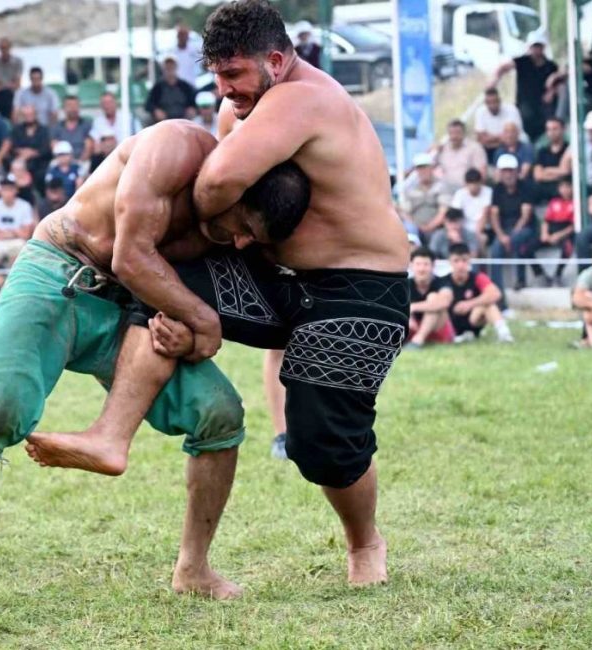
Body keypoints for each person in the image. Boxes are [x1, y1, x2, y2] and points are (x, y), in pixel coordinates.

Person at [25, 0, 410, 590]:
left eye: (235, 75)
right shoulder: (245, 107)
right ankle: (110, 434)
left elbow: (219, 181)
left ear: (276, 61)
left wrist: (202, 230)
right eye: (217, 76)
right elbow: (217, 181)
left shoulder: (305, 98)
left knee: (320, 443)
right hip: (275, 277)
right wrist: (190, 304)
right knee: (152, 275)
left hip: (358, 287)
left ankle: (365, 542)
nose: (225, 91)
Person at [0, 117, 312, 620]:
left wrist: (185, 329)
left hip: (125, 312)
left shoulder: (231, 229)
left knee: (219, 412)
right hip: (55, 272)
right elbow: (133, 256)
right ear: (232, 189)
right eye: (244, 228)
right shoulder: (172, 147)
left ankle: (194, 568)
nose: (242, 243)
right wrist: (201, 321)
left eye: (253, 239)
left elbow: (175, 298)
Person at [489, 32, 558, 143]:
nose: (536, 49)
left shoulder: (551, 66)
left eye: (538, 46)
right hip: (524, 104)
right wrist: (494, 81)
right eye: (534, 46)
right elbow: (503, 67)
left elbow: (557, 83)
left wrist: (551, 92)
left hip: (543, 105)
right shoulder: (522, 62)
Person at [487, 154, 539, 291]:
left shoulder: (525, 187)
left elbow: (525, 215)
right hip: (504, 229)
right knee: (495, 250)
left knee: (517, 240)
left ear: (516, 172)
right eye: (504, 171)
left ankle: (520, 280)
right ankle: (496, 288)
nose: (508, 174)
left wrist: (512, 236)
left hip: (525, 228)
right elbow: (494, 215)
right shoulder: (497, 190)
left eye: (510, 170)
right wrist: (501, 236)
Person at [442, 243, 513, 343]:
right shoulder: (443, 281)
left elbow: (496, 293)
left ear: (469, 261)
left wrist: (469, 304)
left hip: (473, 320)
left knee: (488, 304)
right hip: (451, 322)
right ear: (449, 262)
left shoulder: (477, 277)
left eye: (464, 260)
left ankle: (504, 334)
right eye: (456, 261)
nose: (460, 265)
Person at [406, 247, 454, 348]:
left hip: (439, 329)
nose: (422, 269)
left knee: (433, 298)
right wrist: (407, 316)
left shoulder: (442, 282)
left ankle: (418, 340)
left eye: (426, 264)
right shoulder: (405, 284)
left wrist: (413, 307)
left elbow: (445, 302)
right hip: (412, 328)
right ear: (411, 266)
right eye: (418, 264)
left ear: (433, 266)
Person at [0, 176, 35, 268]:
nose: (7, 193)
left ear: (16, 190)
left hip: (18, 241)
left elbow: (26, 235)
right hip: (0, 241)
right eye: (5, 189)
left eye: (10, 189)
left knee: (19, 247)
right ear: (0, 191)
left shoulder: (25, 206)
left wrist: (9, 233)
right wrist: (15, 231)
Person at [400, 153, 449, 238]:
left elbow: (443, 212)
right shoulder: (411, 190)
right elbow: (404, 212)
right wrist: (416, 225)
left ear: (431, 168)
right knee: (408, 229)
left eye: (425, 167)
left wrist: (430, 226)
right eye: (420, 168)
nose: (423, 171)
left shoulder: (441, 187)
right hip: (416, 228)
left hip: (437, 228)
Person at [540, 177, 576, 286]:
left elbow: (573, 226)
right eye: (562, 187)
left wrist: (558, 235)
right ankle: (540, 274)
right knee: (524, 248)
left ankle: (558, 274)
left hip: (565, 232)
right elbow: (546, 221)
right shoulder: (554, 202)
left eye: (568, 186)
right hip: (551, 230)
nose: (565, 190)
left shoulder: (576, 203)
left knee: (568, 248)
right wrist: (544, 234)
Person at [434, 120, 488, 192]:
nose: (454, 136)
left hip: (467, 191)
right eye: (451, 133)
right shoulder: (443, 148)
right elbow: (429, 166)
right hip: (447, 190)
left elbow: (482, 173)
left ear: (463, 133)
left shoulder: (475, 148)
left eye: (457, 133)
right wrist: (434, 150)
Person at [474, 88, 523, 160]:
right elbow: (481, 139)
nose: (492, 105)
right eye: (489, 102)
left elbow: (515, 135)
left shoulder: (511, 109)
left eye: (495, 102)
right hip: (489, 148)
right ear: (485, 103)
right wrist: (501, 137)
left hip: (512, 145)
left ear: (499, 100)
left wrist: (491, 138)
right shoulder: (480, 112)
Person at [8, 104, 52, 185]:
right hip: (20, 160)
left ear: (35, 115)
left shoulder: (44, 130)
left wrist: (32, 153)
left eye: (31, 114)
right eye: (26, 115)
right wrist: (23, 153)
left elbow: (46, 148)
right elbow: (13, 146)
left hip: (39, 162)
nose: (29, 117)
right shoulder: (17, 129)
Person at [146, 56, 197, 123]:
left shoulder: (185, 86)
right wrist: (155, 110)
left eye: (171, 67)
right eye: (167, 68)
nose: (169, 70)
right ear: (163, 69)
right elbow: (148, 104)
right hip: (164, 122)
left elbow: (195, 100)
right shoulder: (158, 87)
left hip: (183, 121)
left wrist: (192, 108)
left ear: (176, 68)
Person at [449, 168, 493, 246]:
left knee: (482, 238)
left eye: (475, 183)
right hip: (464, 229)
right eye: (470, 183)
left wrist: (478, 232)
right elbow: (454, 214)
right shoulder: (460, 194)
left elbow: (485, 214)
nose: (473, 186)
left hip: (484, 229)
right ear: (466, 183)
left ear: (481, 182)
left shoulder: (489, 192)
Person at [532, 117, 571, 204]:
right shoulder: (542, 152)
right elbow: (538, 175)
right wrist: (558, 172)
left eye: (555, 129)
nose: (551, 132)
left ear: (563, 129)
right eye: (549, 129)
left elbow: (566, 172)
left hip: (564, 189)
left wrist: (547, 170)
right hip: (545, 189)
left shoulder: (569, 149)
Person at [50, 96, 93, 162]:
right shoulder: (57, 127)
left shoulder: (87, 125)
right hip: (61, 162)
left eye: (75, 105)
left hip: (82, 162)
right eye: (69, 105)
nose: (73, 108)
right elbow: (55, 147)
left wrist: (78, 164)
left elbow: (89, 147)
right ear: (64, 108)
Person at [0, 37, 23, 119]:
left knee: (7, 95)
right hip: (0, 94)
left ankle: (7, 117)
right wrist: (6, 85)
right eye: (2, 48)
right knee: (2, 95)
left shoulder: (17, 62)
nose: (4, 51)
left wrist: (3, 85)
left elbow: (17, 84)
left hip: (13, 93)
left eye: (5, 48)